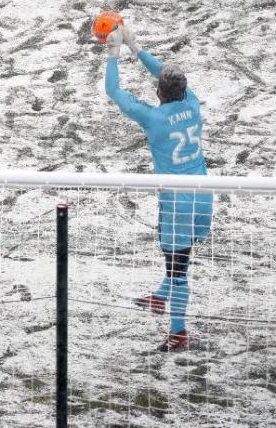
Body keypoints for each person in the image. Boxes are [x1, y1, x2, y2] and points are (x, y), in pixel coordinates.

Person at [102, 23, 213, 352]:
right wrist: (137, 48)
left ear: (158, 93)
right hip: (204, 196)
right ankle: (161, 296)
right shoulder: (192, 105)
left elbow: (114, 92)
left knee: (178, 268)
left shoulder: (153, 118)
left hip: (176, 203)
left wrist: (113, 53)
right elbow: (164, 73)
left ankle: (178, 332)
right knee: (180, 259)